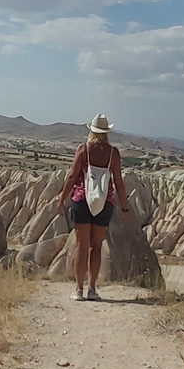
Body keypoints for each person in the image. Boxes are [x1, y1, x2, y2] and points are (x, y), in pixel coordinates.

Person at [57, 114, 129, 301]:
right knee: (95, 247)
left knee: (81, 247)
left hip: (81, 200)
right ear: (106, 132)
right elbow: (119, 182)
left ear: (92, 130)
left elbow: (72, 177)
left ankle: (78, 289)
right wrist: (125, 207)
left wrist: (61, 198)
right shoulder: (113, 153)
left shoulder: (83, 149)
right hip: (104, 203)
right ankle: (92, 288)